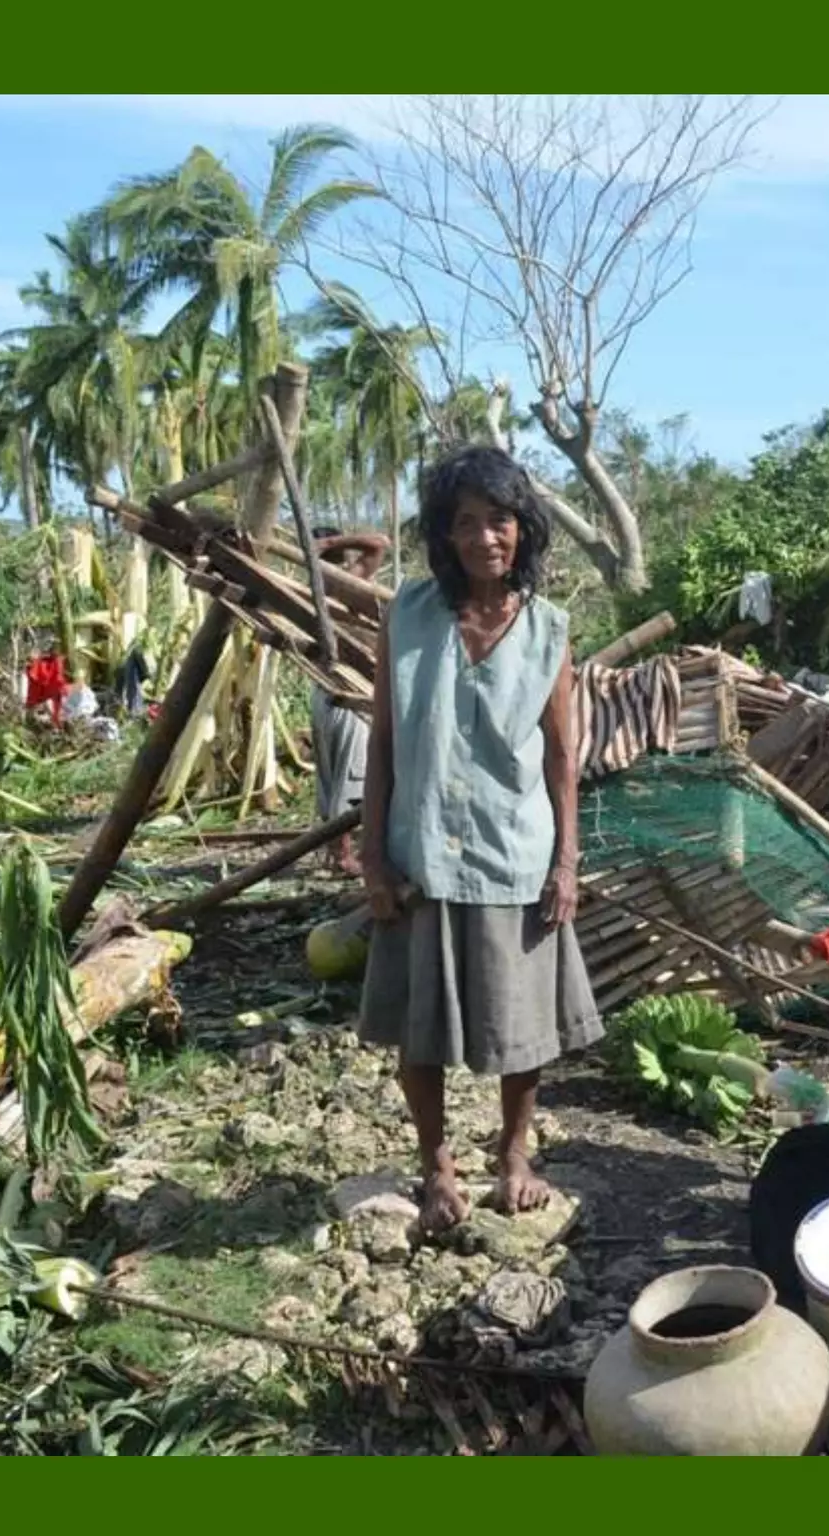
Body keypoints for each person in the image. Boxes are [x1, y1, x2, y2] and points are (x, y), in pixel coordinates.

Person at [358, 449, 603, 1233]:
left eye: (498, 520)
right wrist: (371, 854)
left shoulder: (548, 630)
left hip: (513, 855)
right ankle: (436, 1168)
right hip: (422, 852)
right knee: (419, 1029)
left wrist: (566, 862)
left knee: (519, 1025)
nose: (484, 537)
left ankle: (514, 1156)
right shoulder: (409, 616)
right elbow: (386, 743)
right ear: (444, 535)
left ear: (522, 528)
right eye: (464, 523)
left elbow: (563, 757)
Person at [310, 528, 390, 877]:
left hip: (328, 692)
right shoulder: (339, 583)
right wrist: (328, 545)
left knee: (334, 775)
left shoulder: (320, 586)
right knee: (350, 776)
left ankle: (336, 851)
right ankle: (343, 855)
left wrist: (325, 547)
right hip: (346, 694)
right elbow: (380, 543)